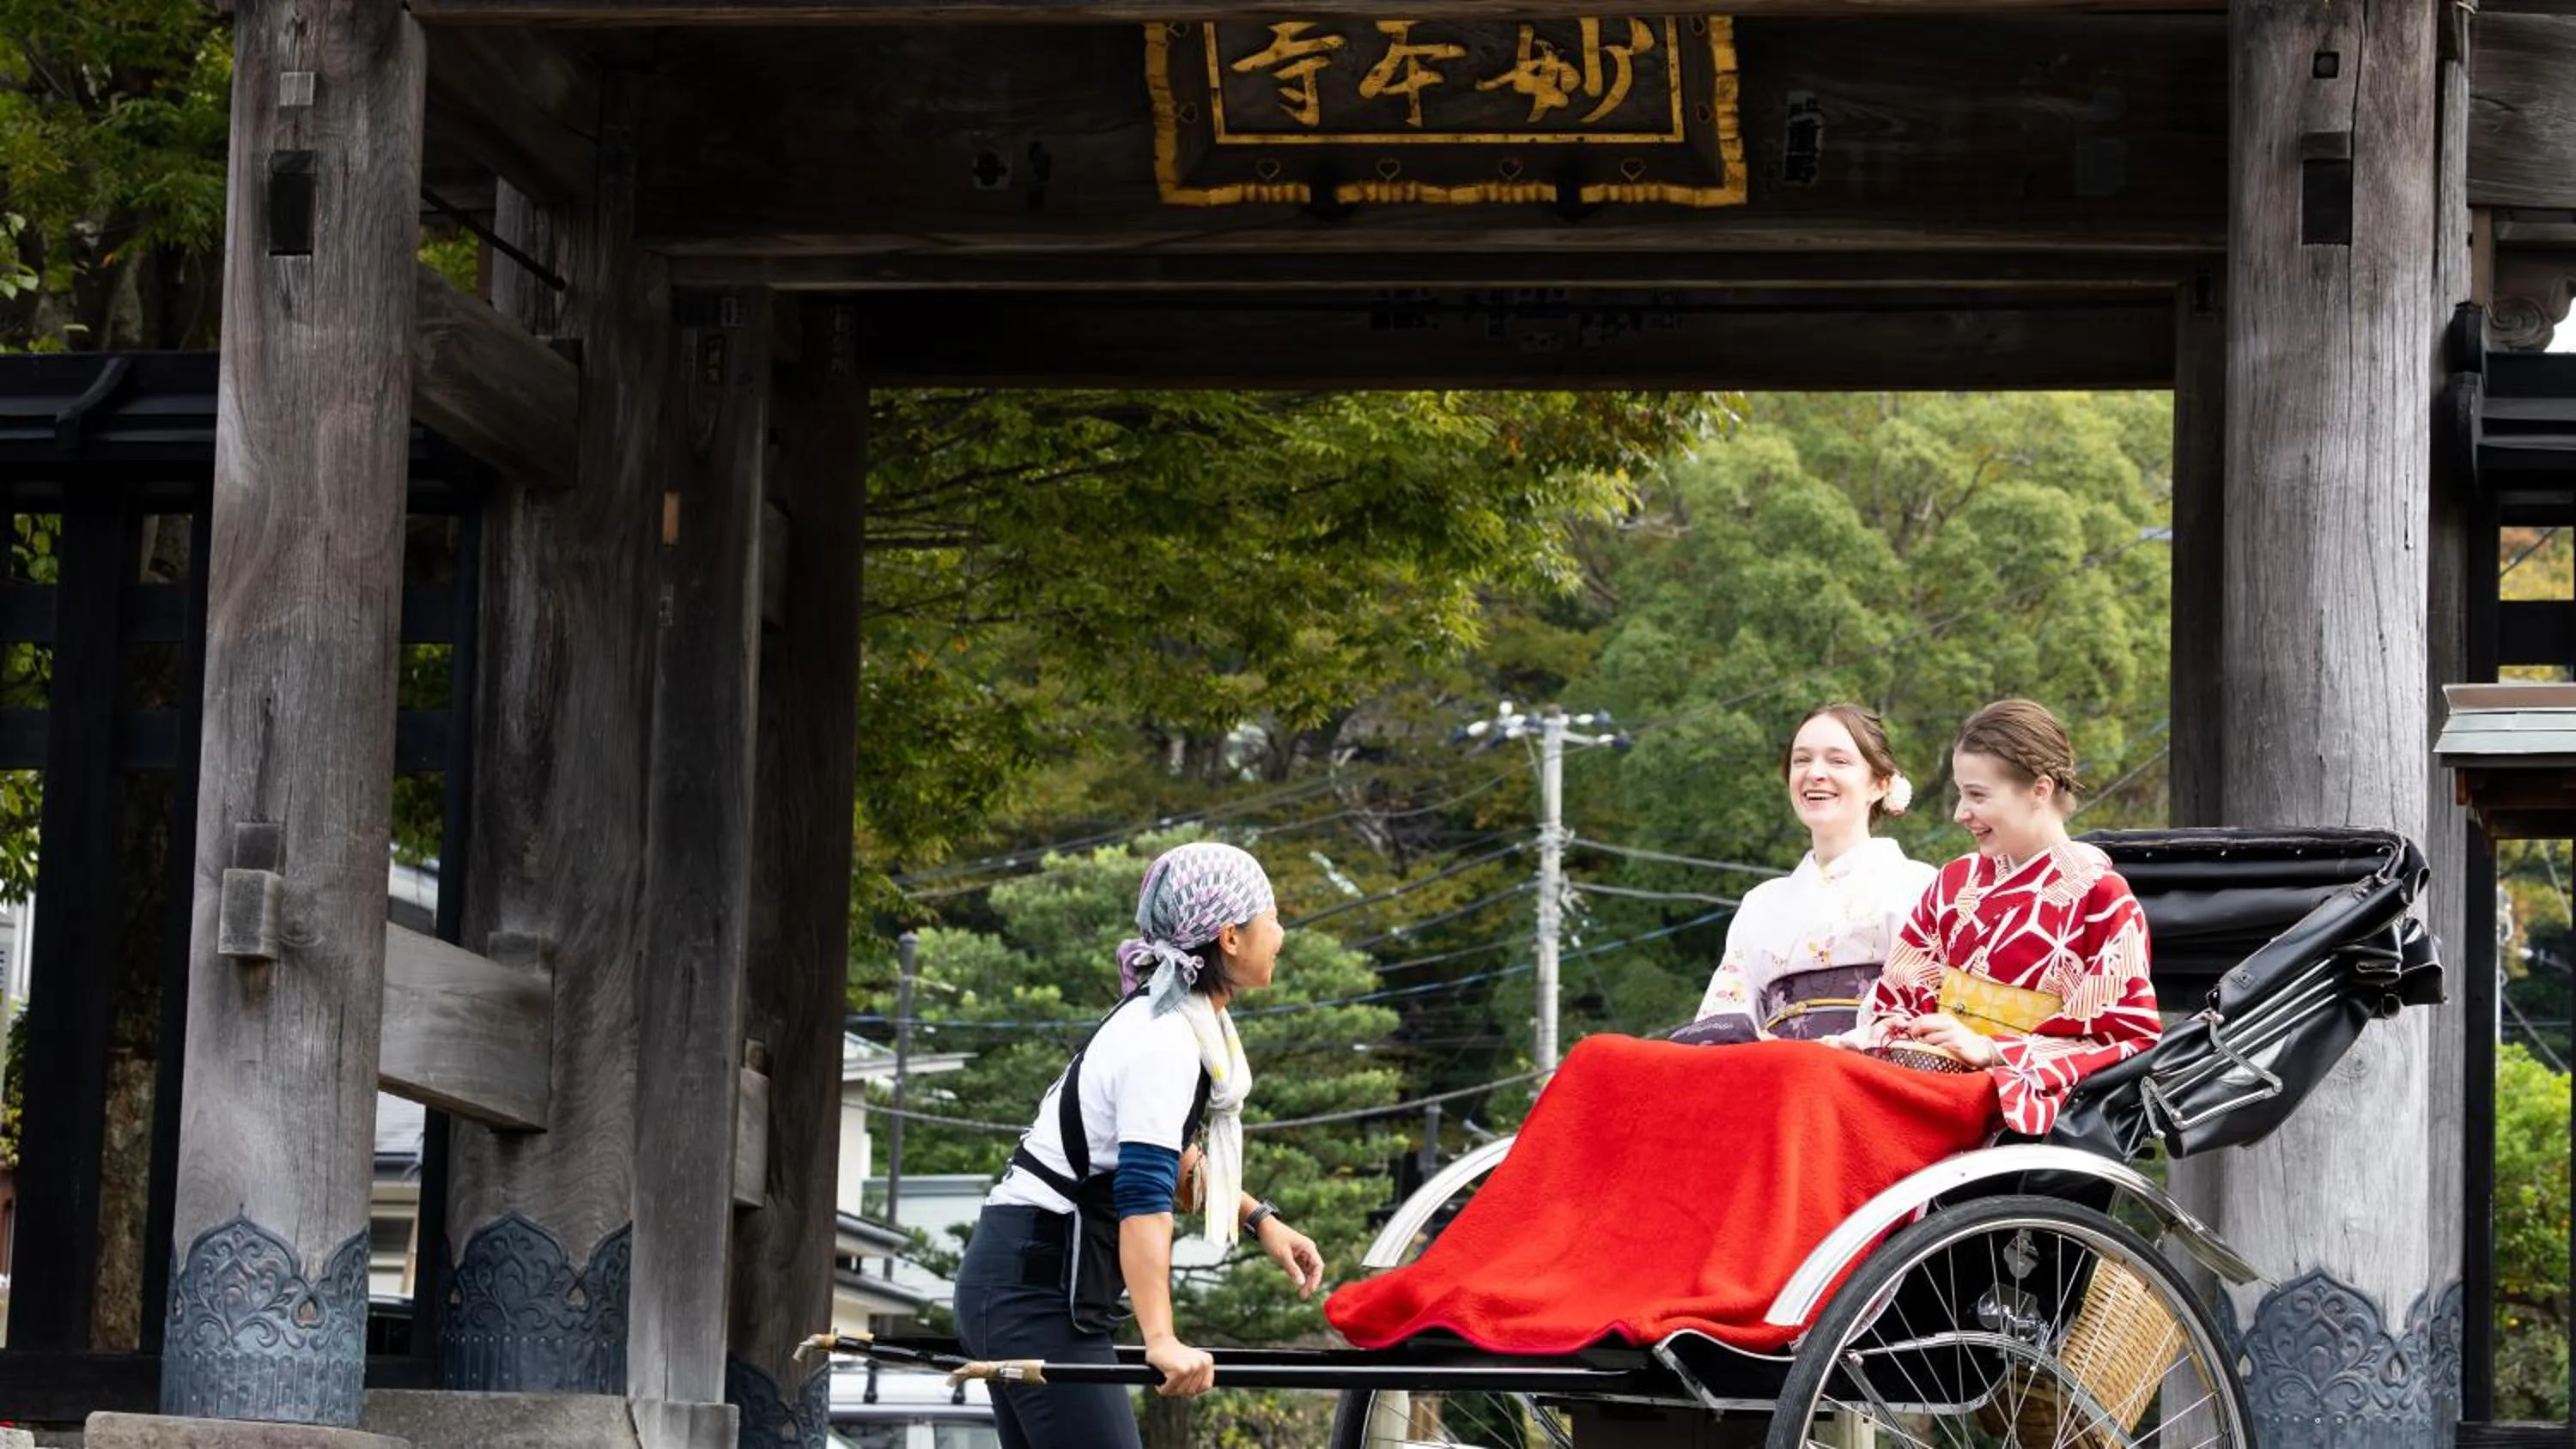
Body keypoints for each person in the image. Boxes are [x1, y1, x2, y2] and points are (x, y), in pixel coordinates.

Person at [952, 840, 1327, 1449]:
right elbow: (1143, 1196)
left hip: (1026, 1283)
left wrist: (1260, 1219)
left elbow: (1170, 1162)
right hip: (1035, 1292)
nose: (1282, 933)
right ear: (1230, 937)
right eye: (1273, 916)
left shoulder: (1176, 1022)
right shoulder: (1165, 1039)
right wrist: (1161, 1339)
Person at [1855, 698, 2162, 1135]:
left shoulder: (2103, 899)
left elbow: (2125, 1036)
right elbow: (1895, 1000)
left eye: (1977, 795)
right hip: (1924, 1082)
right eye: (1961, 793)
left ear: (2040, 790)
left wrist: (1992, 1049)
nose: (1960, 813)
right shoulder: (1954, 883)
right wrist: (1913, 1034)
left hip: (2007, 1106)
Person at [1674, 704, 1935, 1046]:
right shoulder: (1761, 903)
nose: (1815, 773)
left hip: (1870, 1067)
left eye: (1838, 761)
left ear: (1879, 784)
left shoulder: (1919, 886)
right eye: (1801, 760)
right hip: (1773, 1070)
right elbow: (1725, 1019)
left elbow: (1916, 1010)